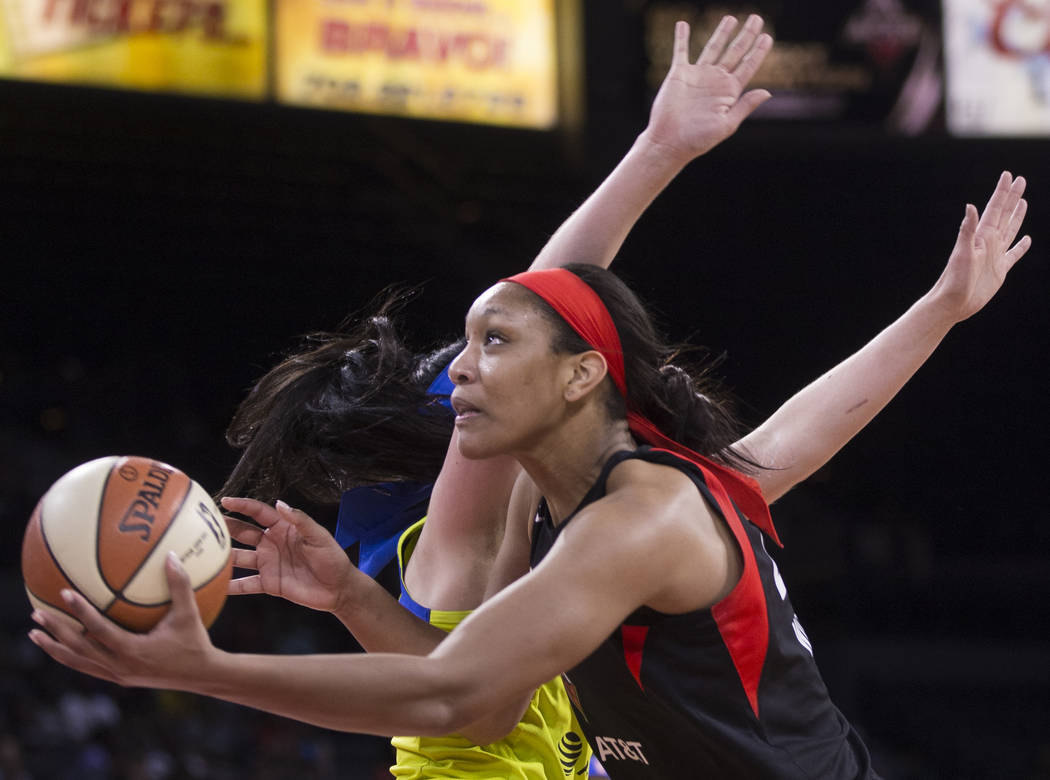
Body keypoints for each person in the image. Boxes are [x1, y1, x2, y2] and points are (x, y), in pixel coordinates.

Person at [213, 15, 774, 779]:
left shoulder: (540, 533)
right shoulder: (460, 527)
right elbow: (547, 296)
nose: (479, 369)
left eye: (491, 351)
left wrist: (939, 312)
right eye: (473, 361)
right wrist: (657, 151)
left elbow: (774, 456)